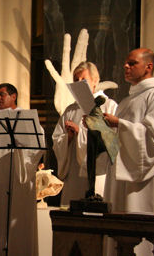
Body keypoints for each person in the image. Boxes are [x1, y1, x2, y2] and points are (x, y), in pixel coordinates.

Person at [103, 48, 154, 254]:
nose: (126, 66)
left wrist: (119, 124)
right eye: (126, 63)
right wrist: (101, 128)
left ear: (148, 66)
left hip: (146, 180)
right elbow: (116, 142)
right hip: (122, 177)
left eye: (132, 63)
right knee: (122, 238)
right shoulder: (126, 101)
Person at [0, 83, 45, 256]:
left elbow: (38, 148)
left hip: (18, 182)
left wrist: (21, 147)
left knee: (16, 228)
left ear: (14, 97)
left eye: (2, 94)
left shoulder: (27, 120)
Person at [52, 62, 117, 206]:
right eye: (76, 80)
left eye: (83, 79)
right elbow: (57, 139)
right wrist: (68, 137)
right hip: (74, 172)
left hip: (99, 171)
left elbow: (112, 141)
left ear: (95, 81)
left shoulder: (108, 106)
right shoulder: (70, 110)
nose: (79, 83)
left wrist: (80, 132)